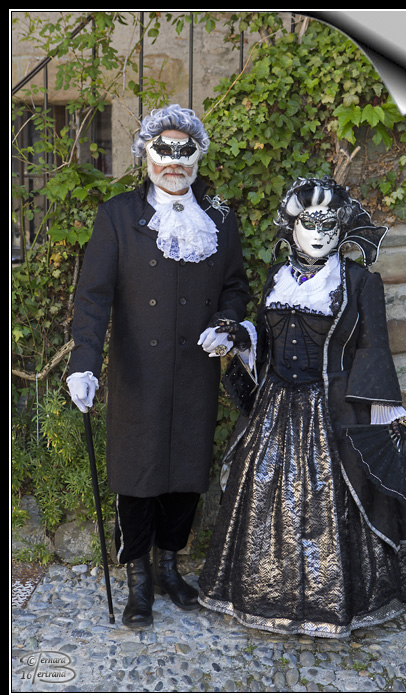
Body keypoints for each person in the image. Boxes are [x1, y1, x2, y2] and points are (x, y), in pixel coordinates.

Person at [198, 175, 406, 639]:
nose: (319, 232)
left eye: (329, 223)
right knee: (262, 493)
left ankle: (332, 603)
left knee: (339, 499)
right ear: (291, 227)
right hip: (274, 406)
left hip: (333, 409)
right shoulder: (276, 278)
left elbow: (372, 347)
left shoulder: (359, 282)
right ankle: (263, 594)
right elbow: (266, 338)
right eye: (309, 222)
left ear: (342, 229)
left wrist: (385, 411)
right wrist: (238, 335)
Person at [67, 104, 250, 629]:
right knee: (137, 475)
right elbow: (93, 298)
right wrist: (84, 364)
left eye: (184, 151)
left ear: (198, 156)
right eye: (163, 151)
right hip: (138, 374)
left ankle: (170, 566)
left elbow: (235, 286)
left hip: (195, 369)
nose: (174, 161)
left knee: (186, 474)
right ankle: (138, 578)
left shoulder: (219, 217)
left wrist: (227, 323)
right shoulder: (117, 215)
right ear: (145, 155)